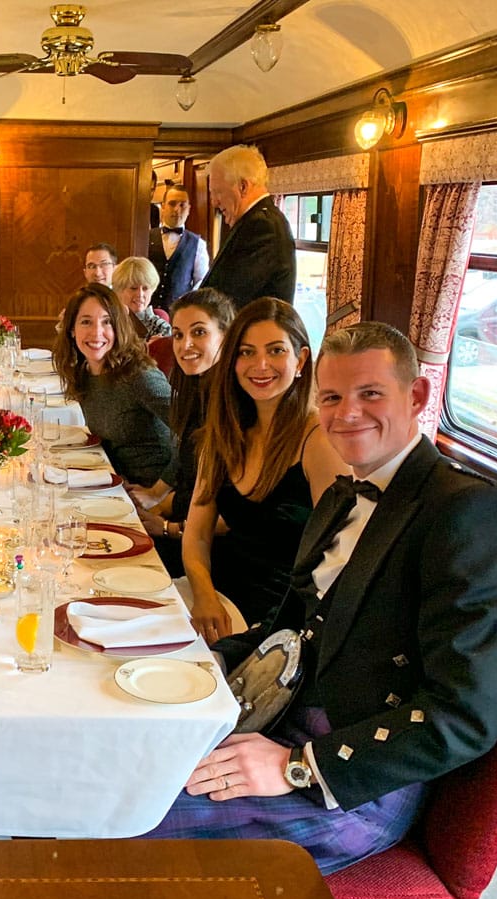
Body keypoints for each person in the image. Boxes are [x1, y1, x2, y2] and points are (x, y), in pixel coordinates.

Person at [142, 321, 497, 877]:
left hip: (357, 786)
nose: (347, 413)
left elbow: (467, 712)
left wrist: (299, 767)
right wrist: (189, 664)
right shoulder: (341, 499)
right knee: (113, 769)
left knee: (125, 819)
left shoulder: (465, 512)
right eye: (331, 397)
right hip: (273, 722)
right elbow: (285, 630)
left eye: (370, 393)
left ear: (417, 396)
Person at [182, 297, 346, 635]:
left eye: (275, 351)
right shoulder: (224, 433)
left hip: (280, 614)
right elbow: (197, 535)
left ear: (301, 359)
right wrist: (204, 595)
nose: (260, 365)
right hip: (218, 593)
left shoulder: (318, 442)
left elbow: (338, 559)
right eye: (246, 352)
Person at [129, 287, 237, 577]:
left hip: (216, 554)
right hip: (184, 527)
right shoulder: (197, 393)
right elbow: (191, 482)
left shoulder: (235, 406)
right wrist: (158, 507)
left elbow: (236, 514)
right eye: (178, 334)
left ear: (226, 336)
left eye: (199, 332)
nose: (185, 343)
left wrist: (167, 528)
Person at [52, 284, 174, 487]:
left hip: (148, 489)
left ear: (118, 328)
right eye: (86, 322)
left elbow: (194, 431)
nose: (96, 332)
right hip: (116, 482)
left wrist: (159, 492)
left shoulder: (138, 376)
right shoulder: (83, 371)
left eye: (107, 322)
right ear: (72, 330)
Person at [199, 145, 296, 309]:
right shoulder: (255, 222)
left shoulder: (263, 226)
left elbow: (228, 298)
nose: (214, 202)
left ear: (243, 186)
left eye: (218, 192)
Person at [148, 185, 209, 312]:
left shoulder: (198, 244)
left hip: (178, 315)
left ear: (189, 209)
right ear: (163, 206)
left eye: (182, 205)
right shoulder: (145, 237)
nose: (177, 209)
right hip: (146, 313)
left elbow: (201, 283)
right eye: (172, 204)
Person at [111, 257, 172, 340]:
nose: (140, 294)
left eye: (145, 288)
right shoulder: (108, 323)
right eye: (133, 288)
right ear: (119, 290)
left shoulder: (162, 329)